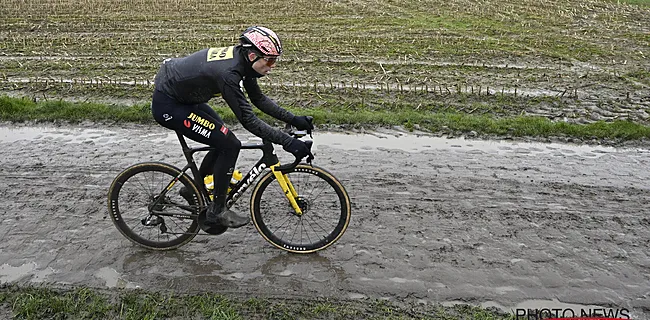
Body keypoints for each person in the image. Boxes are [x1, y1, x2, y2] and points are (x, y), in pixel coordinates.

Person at [151, 26, 314, 228]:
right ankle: (217, 210)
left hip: (184, 96)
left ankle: (192, 189)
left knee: (221, 136)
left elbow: (258, 99)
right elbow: (249, 120)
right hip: (169, 105)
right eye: (270, 60)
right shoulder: (229, 74)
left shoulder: (245, 62)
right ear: (253, 54)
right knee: (229, 144)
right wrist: (287, 141)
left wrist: (294, 119)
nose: (272, 66)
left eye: (275, 60)